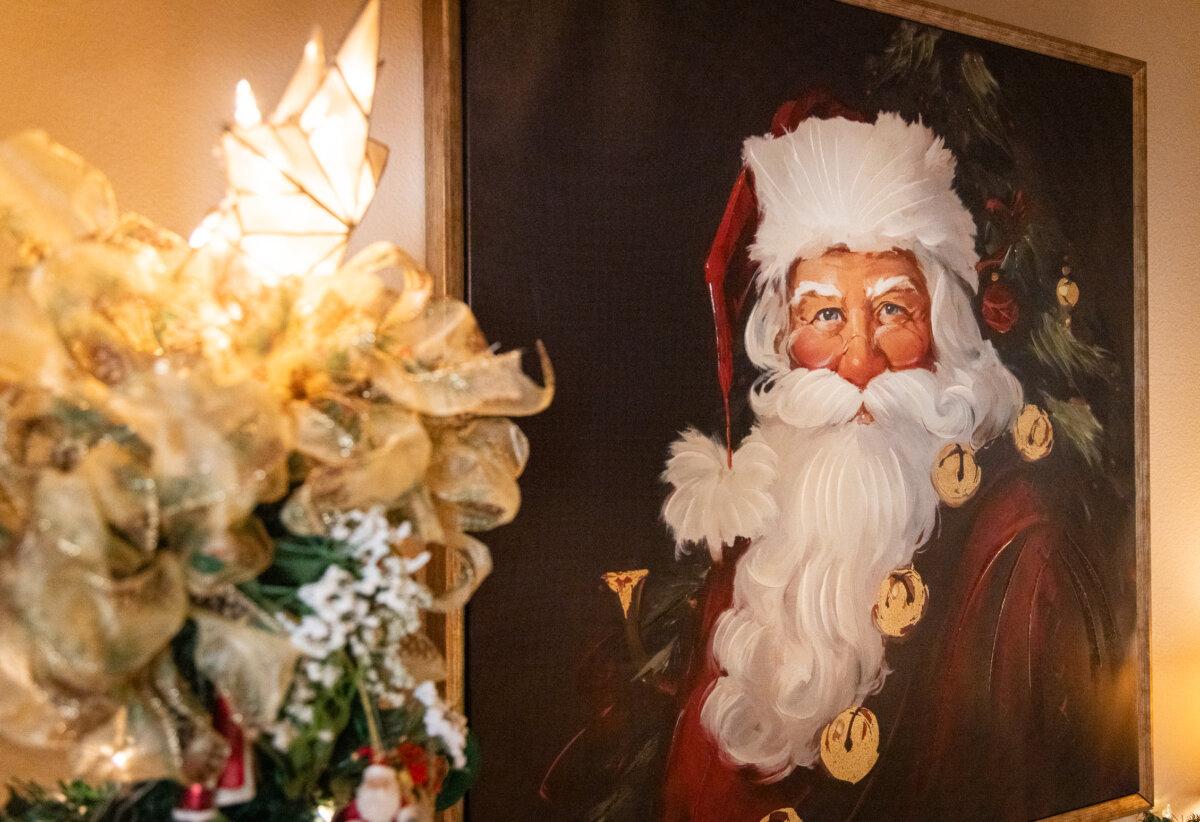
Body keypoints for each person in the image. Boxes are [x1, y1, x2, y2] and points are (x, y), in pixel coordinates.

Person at [656, 96, 1137, 821]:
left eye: (891, 311)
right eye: (825, 315)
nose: (858, 361)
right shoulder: (760, 546)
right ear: (784, 342)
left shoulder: (1020, 543)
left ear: (942, 331)